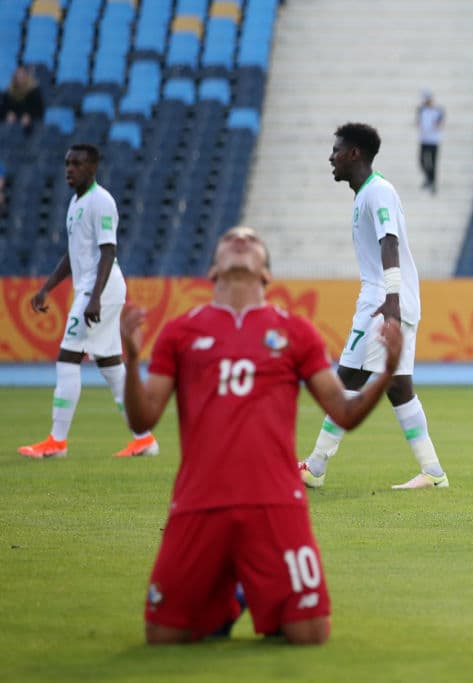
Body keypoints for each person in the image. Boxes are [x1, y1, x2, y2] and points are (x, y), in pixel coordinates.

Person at [120, 226, 403, 644]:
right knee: (161, 636)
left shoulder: (296, 332)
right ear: (214, 268)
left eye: (251, 240)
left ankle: (242, 589)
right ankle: (230, 597)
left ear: (266, 273)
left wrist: (386, 372)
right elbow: (143, 419)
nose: (240, 240)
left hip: (276, 502)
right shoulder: (181, 332)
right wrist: (130, 360)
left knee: (310, 633)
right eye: (231, 238)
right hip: (199, 502)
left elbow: (343, 411)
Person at [299, 123, 449, 491]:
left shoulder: (377, 192)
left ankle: (315, 466)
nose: (330, 157)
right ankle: (432, 471)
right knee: (398, 387)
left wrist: (391, 300)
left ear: (354, 154)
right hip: (394, 299)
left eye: (336, 150)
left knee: (347, 378)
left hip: (383, 301)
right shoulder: (367, 193)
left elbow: (389, 243)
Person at [18, 144, 159, 459]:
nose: (69, 169)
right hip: (93, 289)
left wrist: (94, 297)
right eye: (67, 163)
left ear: (92, 168)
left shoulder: (101, 201)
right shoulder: (75, 202)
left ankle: (57, 441)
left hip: (100, 289)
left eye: (77, 164)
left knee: (68, 357)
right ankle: (144, 439)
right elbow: (74, 253)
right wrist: (47, 288)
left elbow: (108, 251)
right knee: (110, 365)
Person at [1, 66, 45, 134]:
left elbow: (39, 110)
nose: (20, 78)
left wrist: (30, 116)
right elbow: (4, 108)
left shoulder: (34, 92)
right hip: (12, 122)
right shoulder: (9, 92)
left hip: (29, 123)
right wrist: (7, 114)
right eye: (18, 76)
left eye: (22, 76)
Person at [416, 90, 444, 194]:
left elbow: (440, 123)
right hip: (424, 139)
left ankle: (433, 183)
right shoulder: (421, 110)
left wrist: (436, 125)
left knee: (433, 162)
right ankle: (429, 178)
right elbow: (418, 122)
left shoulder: (438, 110)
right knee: (422, 161)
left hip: (434, 141)